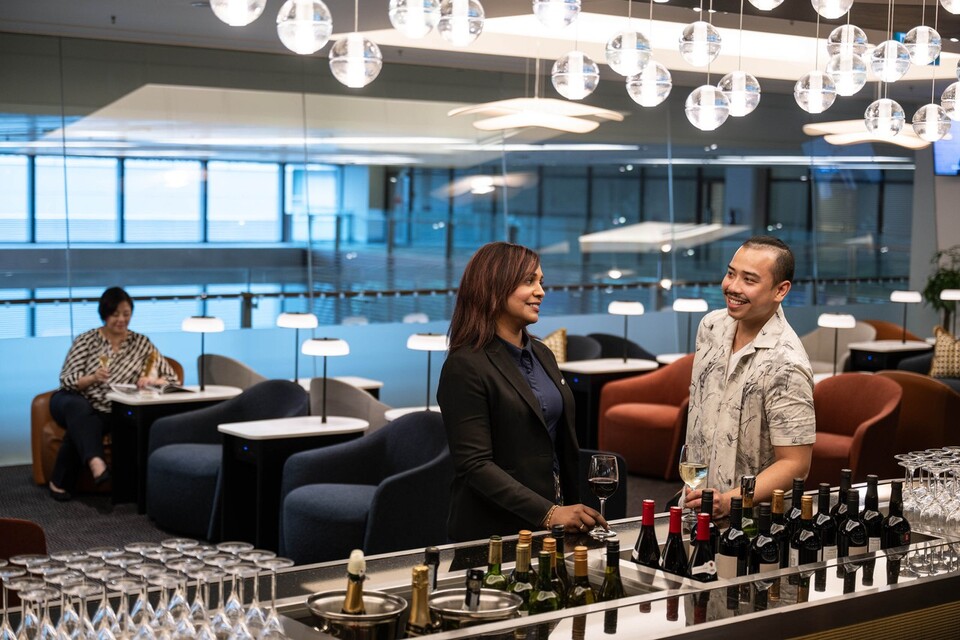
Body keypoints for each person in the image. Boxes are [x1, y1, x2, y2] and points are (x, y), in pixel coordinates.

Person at [437, 242, 606, 541]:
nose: (540, 291)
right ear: (494, 286)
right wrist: (548, 512)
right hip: (494, 530)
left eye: (540, 281)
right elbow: (475, 466)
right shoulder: (465, 365)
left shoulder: (542, 353)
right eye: (529, 281)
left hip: (553, 521)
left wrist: (561, 509)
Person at [684, 236, 815, 519]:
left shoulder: (786, 363)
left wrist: (728, 500)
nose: (732, 287)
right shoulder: (711, 327)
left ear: (781, 290)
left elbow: (796, 464)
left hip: (754, 523)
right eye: (731, 273)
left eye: (749, 280)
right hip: (698, 506)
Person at [48, 287, 179, 501]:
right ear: (104, 314)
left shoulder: (141, 343)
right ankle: (97, 463)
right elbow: (67, 380)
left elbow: (172, 379)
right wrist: (93, 377)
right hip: (72, 398)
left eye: (126, 314)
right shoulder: (88, 340)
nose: (121, 319)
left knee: (87, 424)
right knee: (80, 409)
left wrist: (151, 380)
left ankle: (60, 482)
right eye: (115, 314)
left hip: (110, 407)